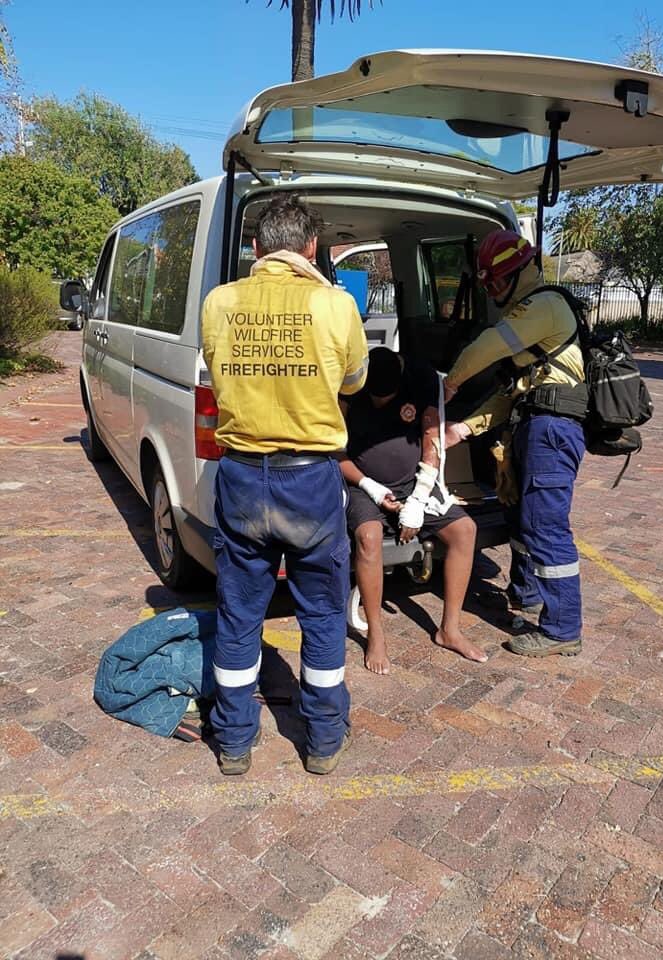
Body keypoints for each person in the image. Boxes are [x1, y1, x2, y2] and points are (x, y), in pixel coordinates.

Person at [201, 194, 368, 776]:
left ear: (255, 247)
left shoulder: (219, 302)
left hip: (243, 476)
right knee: (321, 614)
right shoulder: (335, 304)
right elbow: (353, 381)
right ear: (312, 248)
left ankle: (233, 741)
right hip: (311, 482)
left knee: (240, 612)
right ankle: (322, 739)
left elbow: (216, 368)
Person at [441, 229, 587, 658]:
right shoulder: (532, 320)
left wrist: (451, 382)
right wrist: (464, 429)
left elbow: (486, 347)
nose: (494, 293)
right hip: (532, 424)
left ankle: (563, 629)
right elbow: (512, 395)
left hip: (552, 430)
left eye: (498, 283)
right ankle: (526, 594)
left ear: (521, 272)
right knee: (523, 518)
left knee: (546, 526)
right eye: (488, 285)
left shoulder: (544, 306)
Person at [339, 347, 487, 675]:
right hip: (363, 484)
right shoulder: (348, 388)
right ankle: (376, 633)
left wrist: (419, 498)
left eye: (385, 399)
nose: (379, 405)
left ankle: (450, 629)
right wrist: (371, 488)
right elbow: (334, 452)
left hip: (412, 482)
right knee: (368, 536)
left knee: (465, 531)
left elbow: (432, 438)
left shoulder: (418, 381)